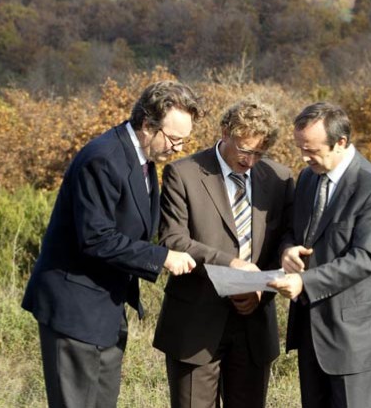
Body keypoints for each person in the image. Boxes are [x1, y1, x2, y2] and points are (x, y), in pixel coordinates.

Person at [21, 80, 202, 408]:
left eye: (183, 141)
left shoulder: (142, 160)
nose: (178, 148)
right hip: (75, 309)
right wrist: (162, 257)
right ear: (148, 125)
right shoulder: (103, 158)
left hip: (105, 309)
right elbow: (96, 238)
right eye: (174, 139)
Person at [152, 98, 295, 408]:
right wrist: (232, 265)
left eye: (259, 152)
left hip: (253, 324)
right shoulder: (183, 173)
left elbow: (285, 242)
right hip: (195, 323)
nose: (250, 161)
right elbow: (173, 239)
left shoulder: (280, 178)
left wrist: (261, 291)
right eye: (244, 150)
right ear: (225, 132)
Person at [269, 102, 371, 408]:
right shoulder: (308, 178)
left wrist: (305, 282)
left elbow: (365, 258)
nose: (303, 157)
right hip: (311, 332)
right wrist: (287, 250)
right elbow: (292, 230)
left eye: (311, 149)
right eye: (300, 147)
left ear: (340, 142)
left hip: (356, 339)